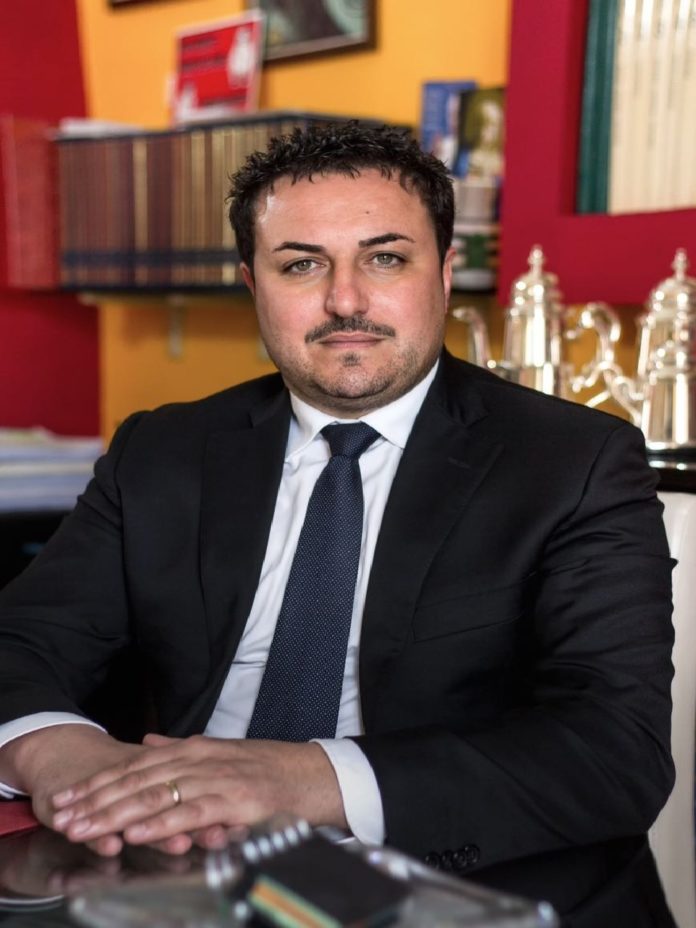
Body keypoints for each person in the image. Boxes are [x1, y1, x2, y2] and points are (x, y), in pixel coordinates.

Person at [0, 123, 675, 926]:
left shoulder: (574, 461)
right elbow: (24, 641)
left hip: (463, 889)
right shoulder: (164, 450)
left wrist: (303, 779)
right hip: (181, 870)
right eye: (301, 265)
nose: (346, 301)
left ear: (445, 274)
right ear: (252, 284)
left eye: (385, 259)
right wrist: (66, 755)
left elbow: (612, 750)